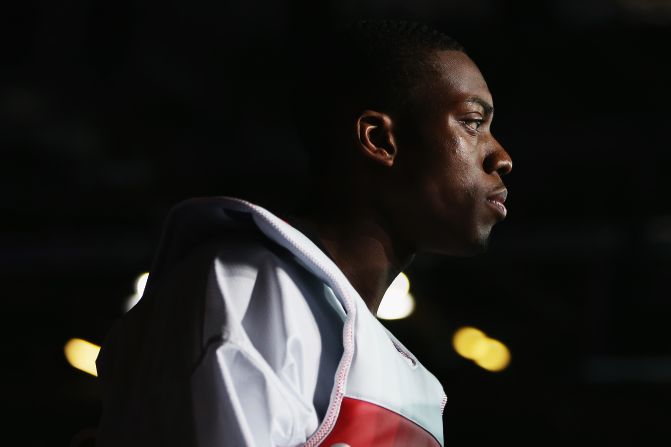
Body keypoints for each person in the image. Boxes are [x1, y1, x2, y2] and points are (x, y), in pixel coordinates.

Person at [95, 19, 512, 447]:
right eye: (473, 122)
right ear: (380, 140)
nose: (502, 157)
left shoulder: (398, 367)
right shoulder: (245, 284)